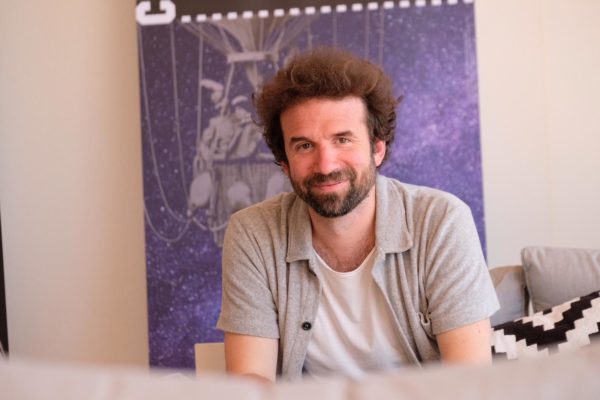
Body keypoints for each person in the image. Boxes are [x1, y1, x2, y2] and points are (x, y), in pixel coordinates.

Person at [216, 48, 499, 382]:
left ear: (377, 149)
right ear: (284, 162)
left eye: (343, 139)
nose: (326, 165)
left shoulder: (441, 222)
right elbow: (251, 386)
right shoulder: (253, 233)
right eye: (304, 146)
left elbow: (469, 383)